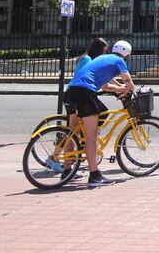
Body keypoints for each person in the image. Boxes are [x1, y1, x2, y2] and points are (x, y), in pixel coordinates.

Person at [53, 40, 136, 186]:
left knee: (73, 131)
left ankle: (67, 171)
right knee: (91, 137)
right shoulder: (119, 61)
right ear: (126, 55)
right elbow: (130, 84)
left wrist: (121, 89)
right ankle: (94, 176)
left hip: (71, 92)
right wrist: (129, 90)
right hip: (85, 93)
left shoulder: (101, 59)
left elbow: (104, 87)